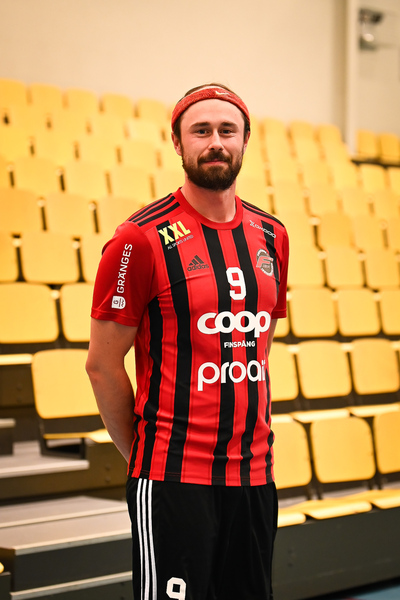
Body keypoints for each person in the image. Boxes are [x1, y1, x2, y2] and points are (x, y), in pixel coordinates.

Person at [86, 83, 289, 600]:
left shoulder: (273, 235)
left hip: (255, 474)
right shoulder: (138, 238)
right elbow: (102, 366)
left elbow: (258, 346)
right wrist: (146, 458)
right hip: (172, 477)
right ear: (177, 143)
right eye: (201, 131)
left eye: (227, 130)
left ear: (245, 140)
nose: (215, 142)